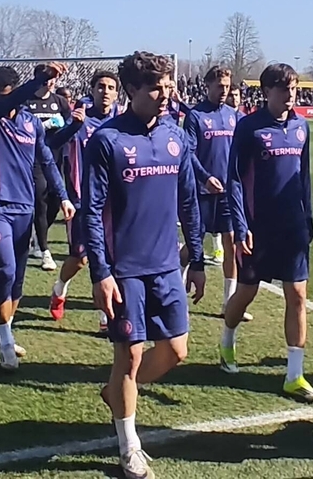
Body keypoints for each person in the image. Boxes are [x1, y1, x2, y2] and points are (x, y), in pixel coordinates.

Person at [83, 51, 205, 479]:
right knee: (130, 357)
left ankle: (115, 394)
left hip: (167, 265)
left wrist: (198, 258)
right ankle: (129, 444)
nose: (164, 94)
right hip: (125, 270)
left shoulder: (176, 135)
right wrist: (101, 272)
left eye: (168, 85)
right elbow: (92, 212)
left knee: (176, 351)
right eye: (155, 87)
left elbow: (188, 200)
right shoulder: (106, 140)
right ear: (131, 90)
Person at [222, 63, 313, 403]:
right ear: (266, 92)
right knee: (246, 292)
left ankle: (295, 376)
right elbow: (234, 179)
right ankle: (227, 339)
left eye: (293, 87)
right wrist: (240, 225)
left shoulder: (301, 127)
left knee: (297, 296)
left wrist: (307, 219)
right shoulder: (249, 127)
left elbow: (303, 178)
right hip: (257, 228)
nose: (290, 93)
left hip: (292, 227)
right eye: (283, 88)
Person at [0, 64, 75, 370]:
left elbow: (46, 160)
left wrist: (64, 196)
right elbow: (4, 105)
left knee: (17, 278)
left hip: (25, 209)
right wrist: (38, 82)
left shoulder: (31, 123)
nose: (2, 100)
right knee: (3, 272)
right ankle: (5, 341)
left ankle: (2, 330)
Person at [47, 70, 119, 329]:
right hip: (82, 200)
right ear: (92, 89)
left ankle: (105, 317)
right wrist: (73, 126)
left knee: (110, 258)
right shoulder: (79, 117)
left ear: (117, 93)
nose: (106, 91)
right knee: (80, 257)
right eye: (101, 86)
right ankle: (59, 288)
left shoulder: (121, 120)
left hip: (113, 201)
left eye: (111, 87)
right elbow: (52, 144)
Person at [183, 66, 250, 318]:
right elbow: (188, 152)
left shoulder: (235, 116)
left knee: (231, 243)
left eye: (227, 86)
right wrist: (205, 177)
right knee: (193, 244)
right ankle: (175, 292)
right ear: (208, 86)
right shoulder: (195, 116)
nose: (224, 90)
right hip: (201, 190)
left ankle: (229, 304)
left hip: (227, 192)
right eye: (219, 86)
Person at [27, 64, 72, 271]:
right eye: (46, 77)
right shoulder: (27, 102)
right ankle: (45, 251)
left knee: (56, 201)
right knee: (41, 201)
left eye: (53, 78)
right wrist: (43, 126)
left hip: (56, 158)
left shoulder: (60, 102)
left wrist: (68, 125)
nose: (50, 81)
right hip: (34, 160)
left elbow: (69, 128)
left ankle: (37, 236)